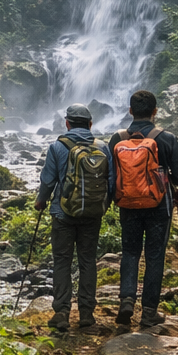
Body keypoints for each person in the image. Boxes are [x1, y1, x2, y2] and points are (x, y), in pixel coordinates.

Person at [109, 90, 178, 327]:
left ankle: (126, 301)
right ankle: (149, 312)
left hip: (127, 205)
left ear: (130, 110)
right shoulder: (166, 138)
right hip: (158, 207)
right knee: (155, 256)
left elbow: (110, 175)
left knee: (130, 252)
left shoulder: (117, 138)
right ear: (155, 111)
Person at [35, 103, 115, 331]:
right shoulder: (103, 147)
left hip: (63, 214)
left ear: (67, 123)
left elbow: (48, 180)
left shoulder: (57, 147)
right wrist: (102, 205)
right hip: (92, 215)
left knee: (62, 261)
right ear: (91, 124)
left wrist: (41, 201)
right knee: (88, 261)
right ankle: (87, 313)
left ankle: (61, 312)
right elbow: (111, 182)